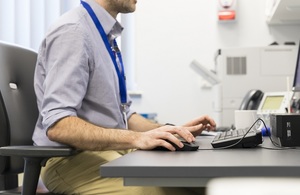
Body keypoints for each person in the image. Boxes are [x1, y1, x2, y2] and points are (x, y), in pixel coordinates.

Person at [32, 0, 216, 194]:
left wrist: (169, 131)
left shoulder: (103, 34)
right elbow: (59, 126)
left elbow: (125, 116)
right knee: (159, 190)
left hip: (112, 151)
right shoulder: (73, 32)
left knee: (202, 184)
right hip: (70, 159)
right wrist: (136, 138)